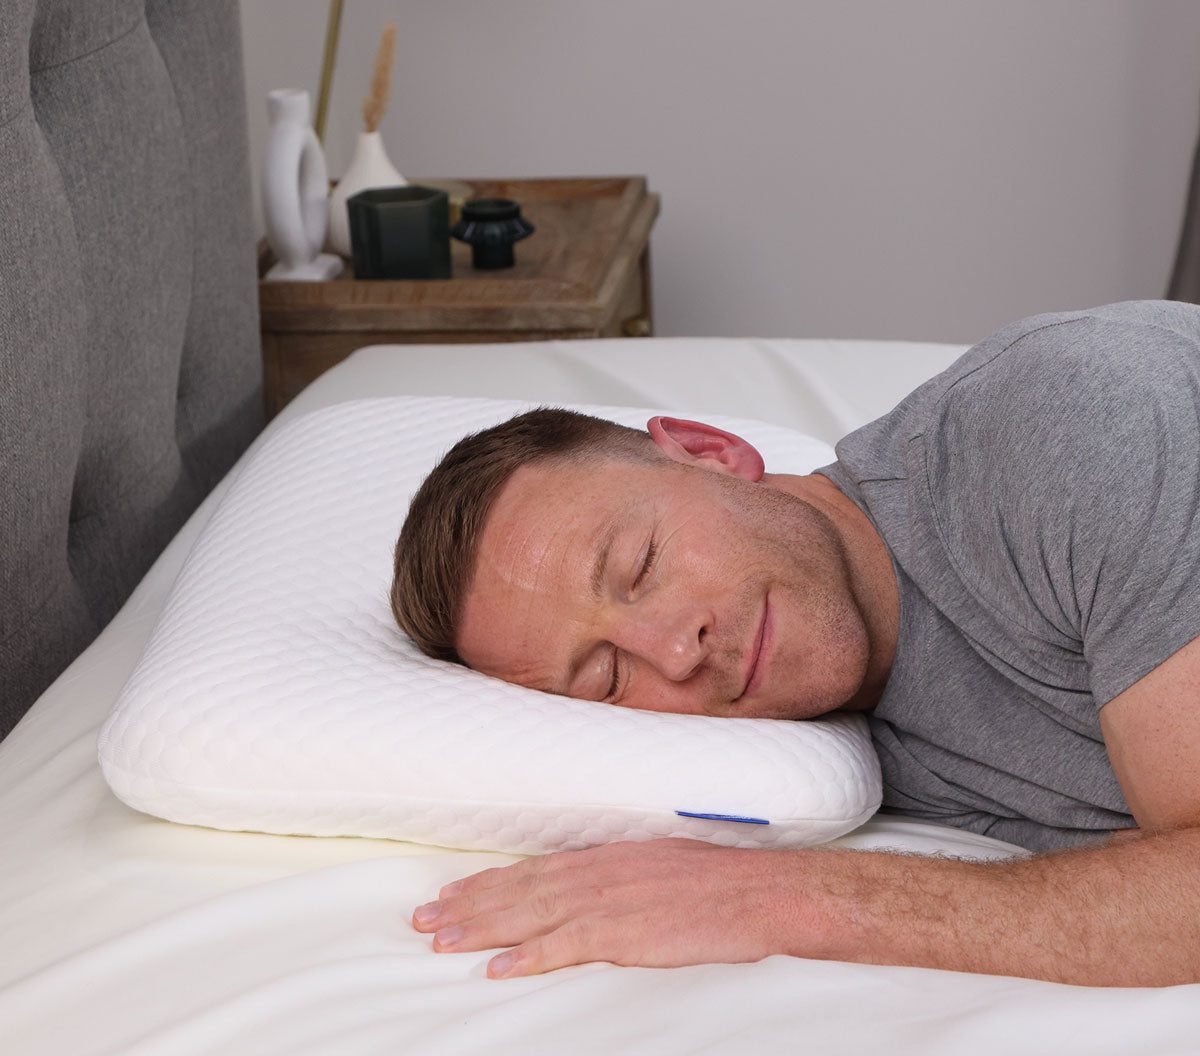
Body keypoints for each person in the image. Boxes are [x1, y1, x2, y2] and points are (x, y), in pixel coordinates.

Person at [393, 300, 1200, 987]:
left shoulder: (1073, 421)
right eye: (607, 675)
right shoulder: (837, 759)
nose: (674, 652)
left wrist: (792, 900)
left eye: (641, 566)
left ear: (712, 453)